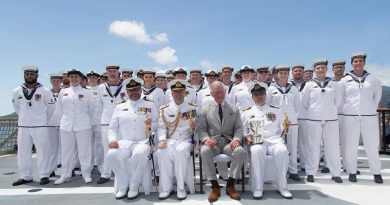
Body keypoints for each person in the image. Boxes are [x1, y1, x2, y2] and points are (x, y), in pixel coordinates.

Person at [106, 78, 157, 199]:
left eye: (136, 89)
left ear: (140, 90)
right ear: (127, 92)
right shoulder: (120, 107)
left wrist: (151, 125)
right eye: (131, 90)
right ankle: (123, 184)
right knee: (111, 154)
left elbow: (157, 124)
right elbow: (112, 127)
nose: (134, 92)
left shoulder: (149, 105)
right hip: (125, 142)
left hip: (142, 141)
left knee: (139, 154)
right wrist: (112, 140)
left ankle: (134, 186)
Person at [196, 81, 246, 203]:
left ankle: (230, 185)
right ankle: (214, 186)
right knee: (204, 150)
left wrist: (236, 139)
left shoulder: (234, 109)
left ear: (225, 92)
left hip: (229, 142)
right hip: (213, 143)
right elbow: (201, 129)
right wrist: (206, 139)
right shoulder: (205, 110)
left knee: (240, 151)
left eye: (221, 92)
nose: (219, 94)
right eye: (216, 92)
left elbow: (239, 128)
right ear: (212, 94)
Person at [242, 81, 292, 199]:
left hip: (274, 140)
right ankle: (258, 188)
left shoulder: (275, 110)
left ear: (265, 95)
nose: (259, 97)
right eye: (256, 95)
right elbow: (242, 129)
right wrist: (246, 137)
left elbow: (281, 127)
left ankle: (282, 186)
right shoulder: (247, 112)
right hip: (257, 141)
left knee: (282, 151)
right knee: (256, 151)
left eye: (261, 94)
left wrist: (286, 126)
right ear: (252, 97)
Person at [339, 51, 383, 183]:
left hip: (368, 116)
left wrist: (369, 108)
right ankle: (352, 171)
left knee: (372, 145)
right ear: (352, 63)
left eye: (360, 61)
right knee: (351, 145)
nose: (358, 63)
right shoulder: (344, 80)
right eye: (355, 61)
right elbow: (341, 99)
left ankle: (376, 172)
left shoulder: (372, 79)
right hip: (350, 116)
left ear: (364, 62)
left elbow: (377, 96)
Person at [301, 59, 342, 183]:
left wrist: (329, 111)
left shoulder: (334, 84)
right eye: (318, 68)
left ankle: (335, 173)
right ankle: (311, 172)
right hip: (314, 119)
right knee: (313, 146)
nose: (320, 70)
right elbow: (305, 103)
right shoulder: (309, 85)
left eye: (323, 68)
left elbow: (338, 101)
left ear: (326, 69)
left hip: (331, 119)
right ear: (314, 70)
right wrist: (316, 111)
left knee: (332, 147)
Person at [12, 66, 54, 186]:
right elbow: (16, 107)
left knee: (43, 151)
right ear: (24, 75)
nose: (29, 76)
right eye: (27, 74)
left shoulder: (44, 90)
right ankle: (25, 176)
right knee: (23, 152)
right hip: (24, 126)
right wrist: (25, 118)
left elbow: (51, 108)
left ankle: (44, 175)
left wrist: (43, 120)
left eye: (32, 74)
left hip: (40, 126)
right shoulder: (17, 91)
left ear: (37, 75)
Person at [157, 80, 197, 200]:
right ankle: (166, 188)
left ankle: (181, 188)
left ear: (185, 93)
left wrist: (195, 133)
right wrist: (162, 139)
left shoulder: (192, 108)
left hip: (186, 141)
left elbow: (198, 126)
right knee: (161, 152)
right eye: (175, 92)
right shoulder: (165, 109)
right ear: (172, 93)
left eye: (180, 92)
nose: (178, 94)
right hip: (170, 140)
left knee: (180, 151)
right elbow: (161, 127)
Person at [53, 69, 95, 184]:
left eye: (76, 77)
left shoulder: (87, 93)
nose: (74, 79)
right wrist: (66, 119)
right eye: (71, 77)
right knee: (66, 151)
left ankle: (86, 174)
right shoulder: (63, 92)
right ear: (68, 78)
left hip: (83, 125)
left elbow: (91, 109)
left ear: (81, 79)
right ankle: (65, 174)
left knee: (84, 151)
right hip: (66, 125)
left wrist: (84, 119)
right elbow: (59, 109)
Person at [266, 65, 301, 181]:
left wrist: (290, 117)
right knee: (279, 147)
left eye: (285, 73)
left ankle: (293, 170)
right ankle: (279, 170)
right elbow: (268, 107)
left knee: (292, 147)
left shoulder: (294, 89)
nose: (283, 75)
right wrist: (272, 122)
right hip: (276, 124)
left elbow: (297, 107)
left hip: (291, 123)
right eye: (281, 73)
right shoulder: (271, 89)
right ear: (277, 75)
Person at [96, 65, 128, 184]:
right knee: (107, 149)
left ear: (118, 73)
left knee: (123, 148)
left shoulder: (125, 86)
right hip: (106, 123)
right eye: (110, 71)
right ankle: (106, 173)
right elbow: (99, 107)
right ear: (106, 73)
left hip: (122, 122)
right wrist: (98, 122)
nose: (112, 73)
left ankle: (123, 172)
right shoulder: (101, 88)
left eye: (114, 71)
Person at [86, 70, 104, 172]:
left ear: (97, 79)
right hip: (87, 122)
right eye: (90, 77)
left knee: (99, 144)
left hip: (98, 120)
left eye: (94, 77)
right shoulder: (84, 90)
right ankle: (89, 165)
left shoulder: (101, 89)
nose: (92, 79)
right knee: (88, 145)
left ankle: (100, 164)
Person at [47, 73, 63, 173]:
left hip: (63, 124)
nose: (55, 82)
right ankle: (51, 169)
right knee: (52, 148)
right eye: (53, 80)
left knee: (66, 148)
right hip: (51, 124)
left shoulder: (65, 93)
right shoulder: (46, 93)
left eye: (57, 80)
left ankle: (68, 168)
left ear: (60, 81)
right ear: (51, 81)